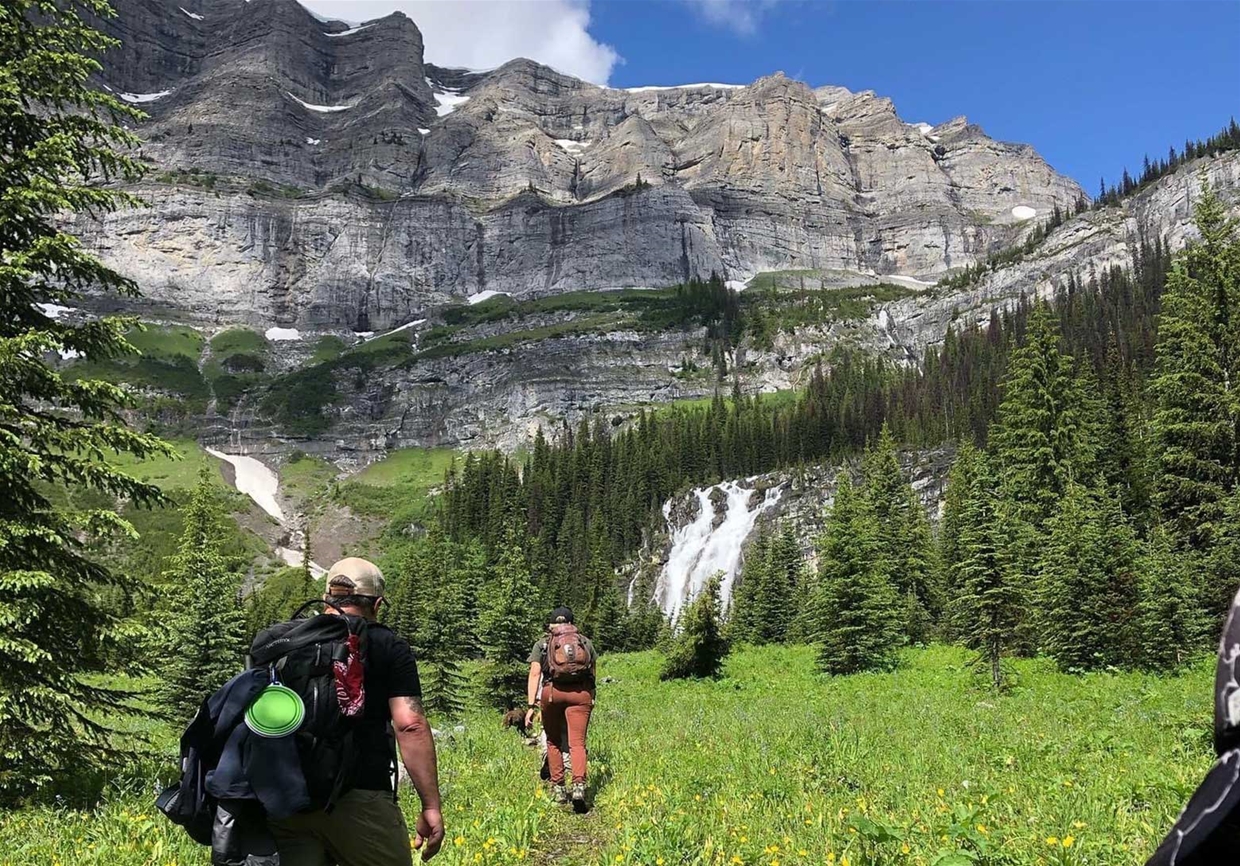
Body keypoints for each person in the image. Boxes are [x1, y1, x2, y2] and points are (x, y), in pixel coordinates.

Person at [269, 558, 445, 864]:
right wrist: (430, 805)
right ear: (376, 604)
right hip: (360, 797)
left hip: (286, 800)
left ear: (326, 598)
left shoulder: (287, 640)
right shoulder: (388, 645)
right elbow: (409, 725)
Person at [524, 607, 596, 812]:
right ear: (572, 623)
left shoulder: (544, 643)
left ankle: (559, 789)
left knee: (553, 741)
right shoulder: (584, 642)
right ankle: (579, 787)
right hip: (580, 694)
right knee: (577, 743)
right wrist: (592, 697)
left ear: (552, 624)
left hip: (552, 694)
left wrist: (531, 705)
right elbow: (592, 672)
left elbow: (535, 673)